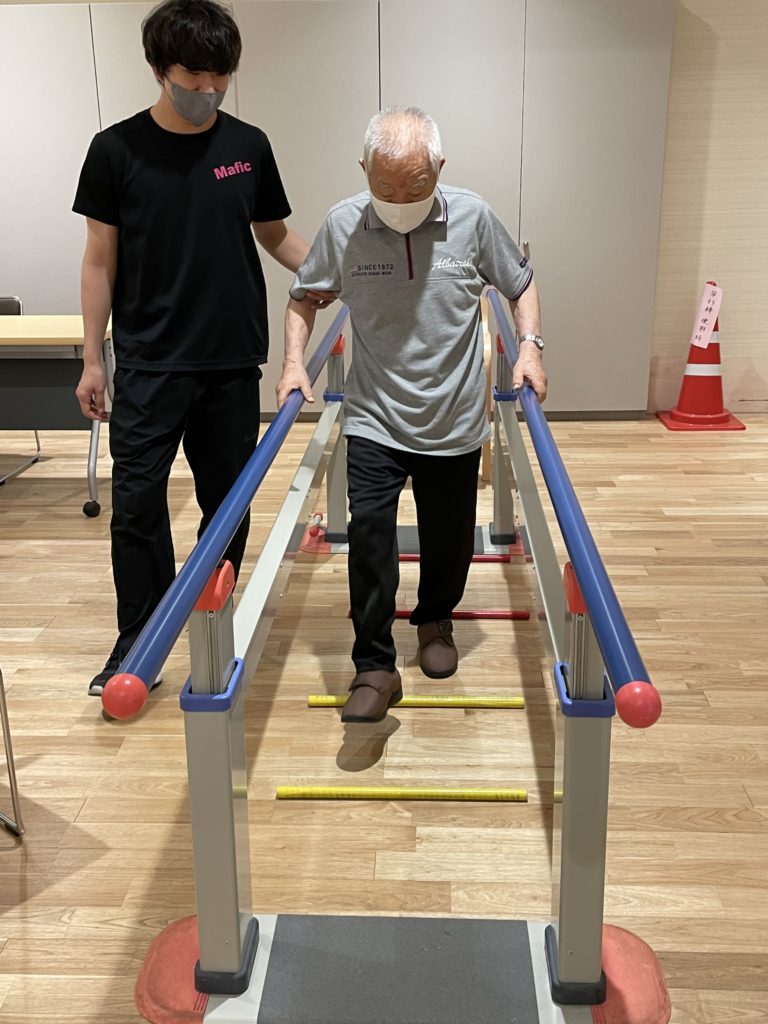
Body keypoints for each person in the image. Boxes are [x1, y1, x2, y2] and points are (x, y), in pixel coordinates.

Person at [73, 0, 329, 696]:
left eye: (221, 76)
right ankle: (139, 639)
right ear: (160, 69)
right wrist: (93, 357)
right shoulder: (115, 150)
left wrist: (335, 278)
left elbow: (275, 234)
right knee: (136, 505)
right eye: (194, 75)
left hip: (229, 358)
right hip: (149, 360)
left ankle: (214, 620)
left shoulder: (248, 145)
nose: (209, 89)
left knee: (227, 504)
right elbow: (99, 260)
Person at [276, 106, 547, 723]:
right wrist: (293, 364)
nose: (400, 200)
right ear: (363, 169)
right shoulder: (343, 225)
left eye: (416, 186)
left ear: (440, 168)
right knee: (369, 536)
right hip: (374, 414)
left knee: (448, 538)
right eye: (386, 186)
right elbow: (303, 298)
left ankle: (434, 619)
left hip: (453, 415)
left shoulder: (474, 217)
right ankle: (373, 664)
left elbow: (521, 283)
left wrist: (530, 349)